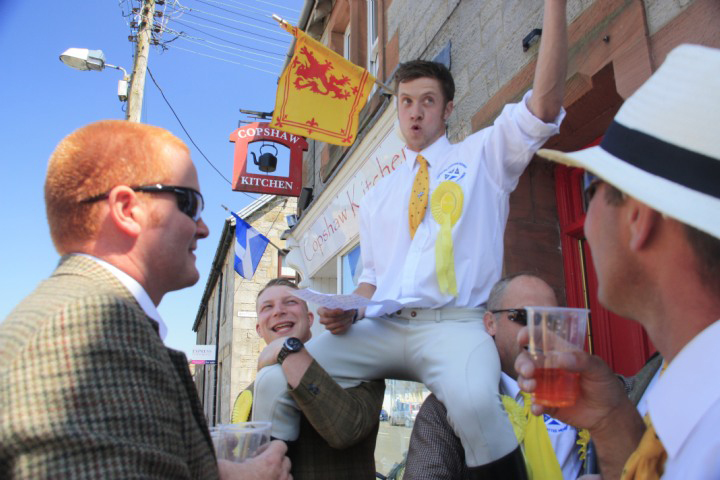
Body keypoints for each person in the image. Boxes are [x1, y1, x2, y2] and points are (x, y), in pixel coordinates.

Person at [253, 1, 569, 476]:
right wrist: (349, 308)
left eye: (427, 101)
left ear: (448, 109)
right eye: (405, 101)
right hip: (383, 329)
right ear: (397, 108)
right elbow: (371, 279)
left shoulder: (483, 155)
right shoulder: (377, 195)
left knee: (476, 406)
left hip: (454, 326)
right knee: (275, 382)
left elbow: (542, 108)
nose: (415, 112)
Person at [0, 120, 291, 480]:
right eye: (189, 204)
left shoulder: (91, 319)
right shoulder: (85, 333)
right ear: (127, 209)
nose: (203, 228)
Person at [514, 44, 720, 479]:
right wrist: (610, 422)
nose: (587, 225)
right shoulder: (673, 392)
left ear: (638, 219)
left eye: (591, 189)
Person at [405, 274, 585, 480]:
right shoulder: (449, 405)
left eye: (550, 320)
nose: (539, 332)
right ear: (491, 323)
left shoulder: (586, 393)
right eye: (524, 317)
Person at [236, 278, 384, 479]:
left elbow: (346, 431)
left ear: (310, 318)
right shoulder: (248, 392)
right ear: (259, 329)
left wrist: (286, 350)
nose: (278, 311)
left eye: (290, 302)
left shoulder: (358, 365)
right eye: (267, 307)